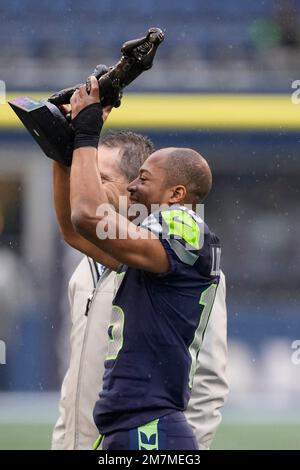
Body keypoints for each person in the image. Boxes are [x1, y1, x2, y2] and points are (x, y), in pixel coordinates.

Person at [64, 76, 224, 450]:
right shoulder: (151, 242)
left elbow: (88, 216)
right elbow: (76, 231)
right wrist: (66, 151)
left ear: (176, 194)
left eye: (144, 179)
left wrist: (86, 135)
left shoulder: (183, 227)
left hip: (151, 429)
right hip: (129, 425)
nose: (132, 187)